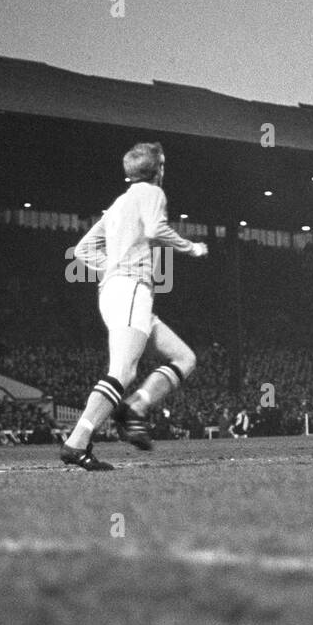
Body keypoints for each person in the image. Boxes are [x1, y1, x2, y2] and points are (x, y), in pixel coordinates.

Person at [62, 142, 208, 470]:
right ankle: (77, 441)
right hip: (130, 291)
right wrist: (192, 248)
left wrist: (113, 266)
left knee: (184, 358)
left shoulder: (118, 204)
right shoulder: (152, 193)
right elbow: (157, 229)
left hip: (119, 292)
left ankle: (135, 408)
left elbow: (83, 249)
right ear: (157, 169)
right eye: (164, 165)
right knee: (123, 371)